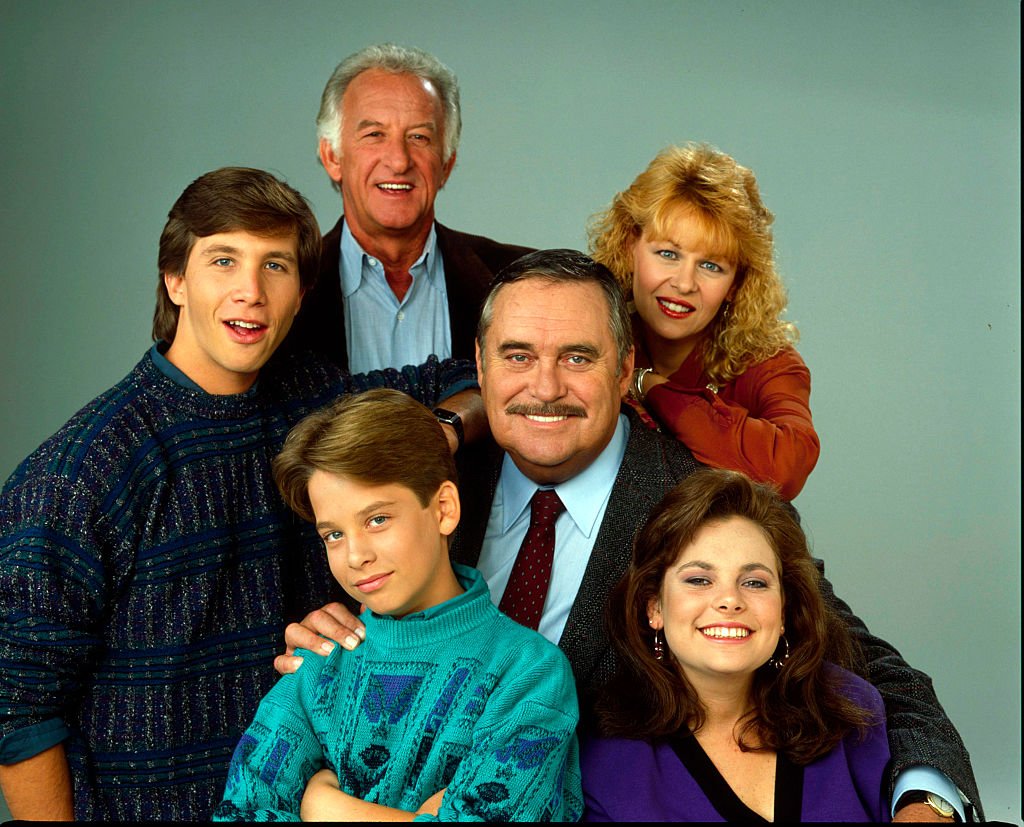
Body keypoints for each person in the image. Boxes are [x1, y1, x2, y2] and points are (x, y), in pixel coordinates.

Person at [280, 249, 982, 821]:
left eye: (578, 358)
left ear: (623, 370)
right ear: (482, 364)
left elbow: (877, 670)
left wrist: (927, 799)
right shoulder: (426, 483)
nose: (545, 386)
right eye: (518, 355)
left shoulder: (702, 502)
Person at [0, 167, 479, 821]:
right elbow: (19, 710)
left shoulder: (315, 400)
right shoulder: (80, 473)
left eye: (275, 266)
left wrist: (444, 429)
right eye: (223, 260)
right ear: (176, 279)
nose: (251, 292)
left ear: (302, 290)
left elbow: (470, 374)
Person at [214, 389, 582, 821]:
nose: (355, 556)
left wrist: (323, 806)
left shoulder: (528, 672)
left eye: (377, 519)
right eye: (333, 534)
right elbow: (240, 812)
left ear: (443, 508)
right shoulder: (318, 664)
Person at [581, 468, 890, 821]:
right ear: (655, 607)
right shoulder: (606, 762)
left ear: (785, 609)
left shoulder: (850, 708)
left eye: (755, 583)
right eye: (699, 579)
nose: (729, 600)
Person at [590, 143, 819, 500]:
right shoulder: (594, 328)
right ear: (630, 247)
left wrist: (649, 386)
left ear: (736, 283)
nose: (684, 283)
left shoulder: (770, 365)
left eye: (711, 265)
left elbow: (784, 468)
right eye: (668, 254)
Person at [287, 43, 533, 374]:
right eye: (374, 134)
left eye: (418, 137)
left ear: (446, 163)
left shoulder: (522, 279)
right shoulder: (284, 288)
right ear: (332, 157)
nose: (399, 161)